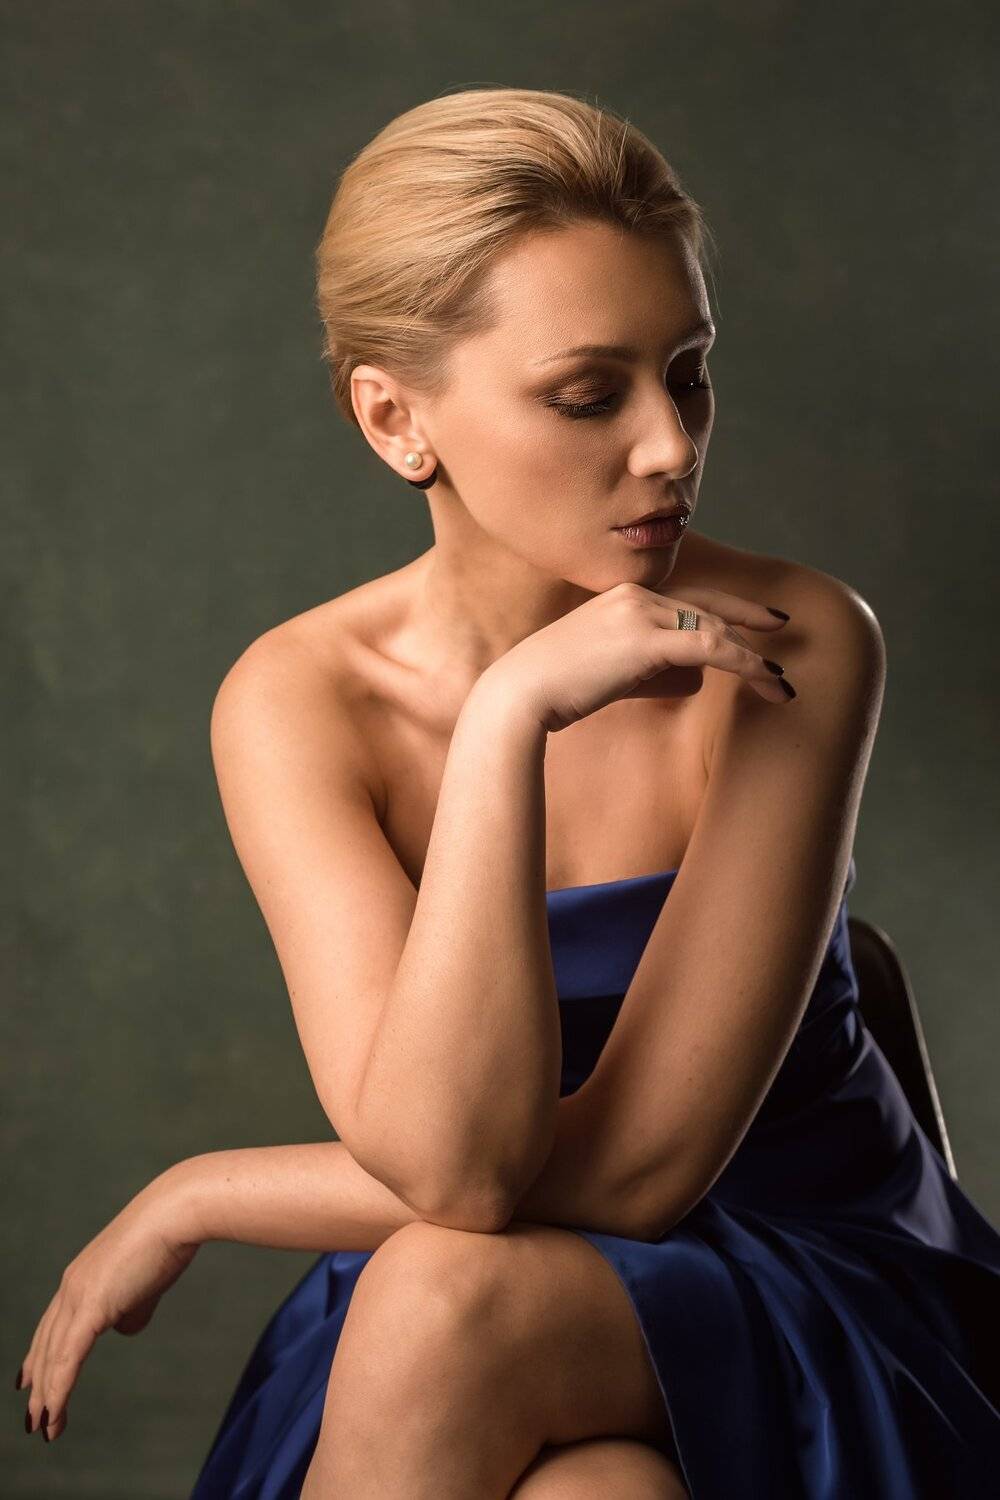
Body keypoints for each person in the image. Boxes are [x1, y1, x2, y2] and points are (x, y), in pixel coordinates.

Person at [16, 86, 1000, 1498]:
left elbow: (633, 1180)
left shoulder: (796, 642)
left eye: (689, 373)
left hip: (818, 1286)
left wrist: (205, 1193)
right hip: (489, 1287)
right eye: (590, 395)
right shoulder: (298, 701)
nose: (671, 446)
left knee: (440, 1300)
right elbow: (453, 1166)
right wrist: (505, 728)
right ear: (394, 419)